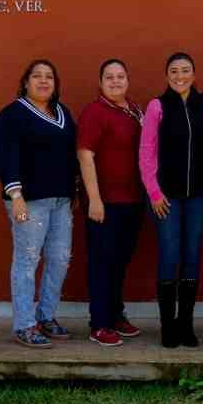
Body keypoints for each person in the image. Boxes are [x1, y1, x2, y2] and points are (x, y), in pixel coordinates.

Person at [0, 59, 78, 349]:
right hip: (29, 201)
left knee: (59, 259)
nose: (43, 81)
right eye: (37, 76)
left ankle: (46, 315)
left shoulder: (62, 113)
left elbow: (71, 155)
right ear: (26, 81)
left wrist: (74, 192)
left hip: (60, 201)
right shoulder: (13, 114)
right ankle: (24, 324)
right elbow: (5, 157)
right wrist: (15, 195)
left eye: (49, 77)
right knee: (27, 260)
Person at [140, 52, 203, 349]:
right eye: (174, 71)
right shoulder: (157, 106)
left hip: (198, 196)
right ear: (166, 75)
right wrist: (154, 193)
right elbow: (146, 153)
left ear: (194, 74)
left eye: (186, 70)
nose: (180, 76)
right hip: (166, 198)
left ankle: (186, 324)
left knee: (191, 256)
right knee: (169, 256)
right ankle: (167, 326)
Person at [77, 59, 145, 348]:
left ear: (128, 80)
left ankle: (116, 315)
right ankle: (99, 323)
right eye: (109, 77)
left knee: (120, 261)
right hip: (104, 203)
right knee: (102, 263)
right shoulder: (95, 112)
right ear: (101, 82)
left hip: (132, 201)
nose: (115, 82)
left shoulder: (134, 111)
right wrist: (94, 199)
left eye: (120, 76)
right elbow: (85, 154)